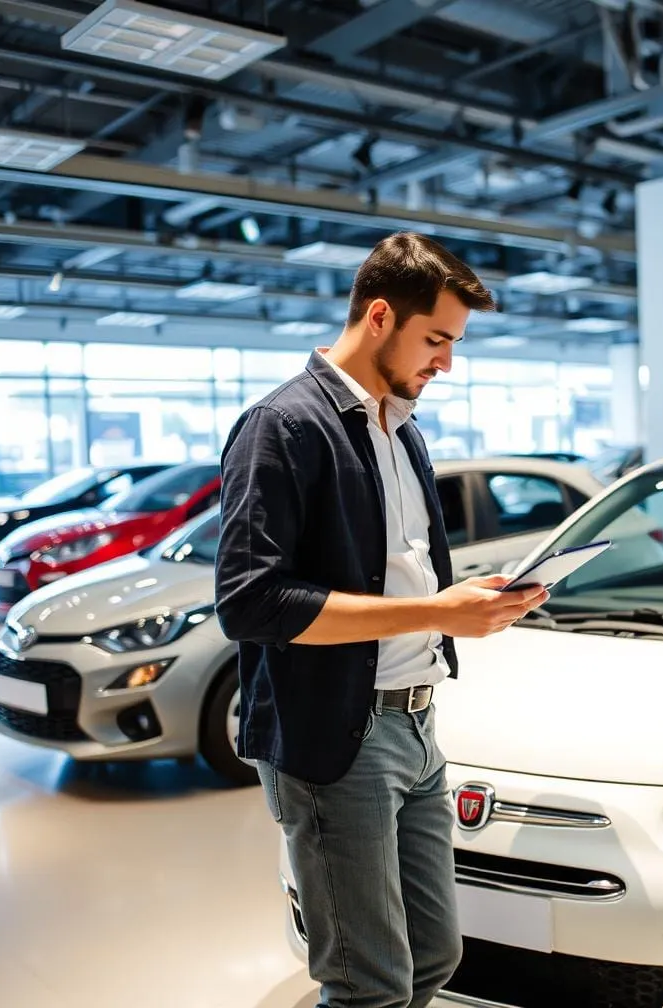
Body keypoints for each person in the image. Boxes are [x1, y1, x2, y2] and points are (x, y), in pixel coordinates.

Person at [214, 232, 549, 1008]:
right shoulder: (284, 426)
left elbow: (391, 571)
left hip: (417, 729)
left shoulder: (402, 429)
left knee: (433, 956)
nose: (446, 363)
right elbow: (249, 601)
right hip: (339, 740)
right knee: (369, 985)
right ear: (378, 317)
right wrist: (435, 610)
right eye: (436, 340)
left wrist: (471, 596)